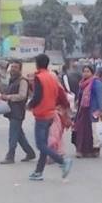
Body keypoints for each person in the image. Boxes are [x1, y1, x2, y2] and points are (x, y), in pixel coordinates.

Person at [27, 53, 74, 181]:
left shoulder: (39, 77)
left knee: (41, 145)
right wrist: (65, 107)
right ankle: (38, 172)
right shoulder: (52, 77)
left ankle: (62, 161)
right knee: (44, 145)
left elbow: (37, 96)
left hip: (42, 114)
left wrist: (30, 105)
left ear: (37, 64)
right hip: (51, 113)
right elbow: (60, 94)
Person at [0, 61, 36, 165]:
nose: (13, 69)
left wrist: (9, 97)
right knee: (19, 134)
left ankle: (10, 156)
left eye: (15, 67)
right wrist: (3, 96)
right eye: (12, 67)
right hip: (11, 110)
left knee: (13, 135)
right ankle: (30, 153)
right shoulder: (12, 80)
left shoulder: (22, 81)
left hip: (18, 111)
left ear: (20, 69)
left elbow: (22, 96)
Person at [73, 65, 102, 157]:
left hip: (93, 110)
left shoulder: (96, 82)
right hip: (83, 110)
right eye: (84, 71)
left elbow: (99, 97)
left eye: (88, 71)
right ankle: (81, 151)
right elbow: (79, 96)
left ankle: (95, 150)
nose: (85, 73)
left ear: (92, 72)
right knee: (81, 131)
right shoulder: (82, 83)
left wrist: (100, 110)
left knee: (93, 131)